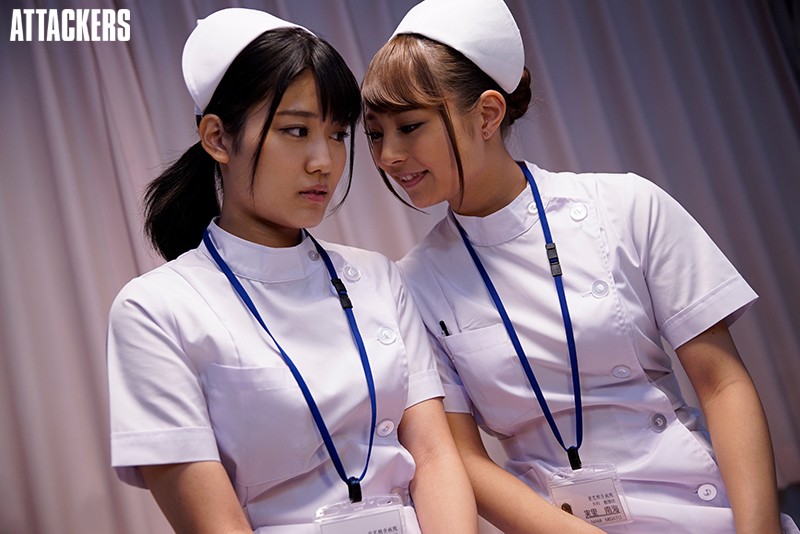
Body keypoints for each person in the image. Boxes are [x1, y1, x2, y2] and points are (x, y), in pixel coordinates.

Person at [360, 0, 800, 532]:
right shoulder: (413, 283)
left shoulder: (626, 207)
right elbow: (464, 460)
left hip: (701, 509)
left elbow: (721, 383)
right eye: (375, 134)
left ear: (487, 115)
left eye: (408, 127)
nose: (387, 155)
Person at [106, 8, 477, 533]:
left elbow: (436, 458)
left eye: (338, 135)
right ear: (218, 139)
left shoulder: (378, 279)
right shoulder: (156, 310)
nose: (323, 161)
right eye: (296, 130)